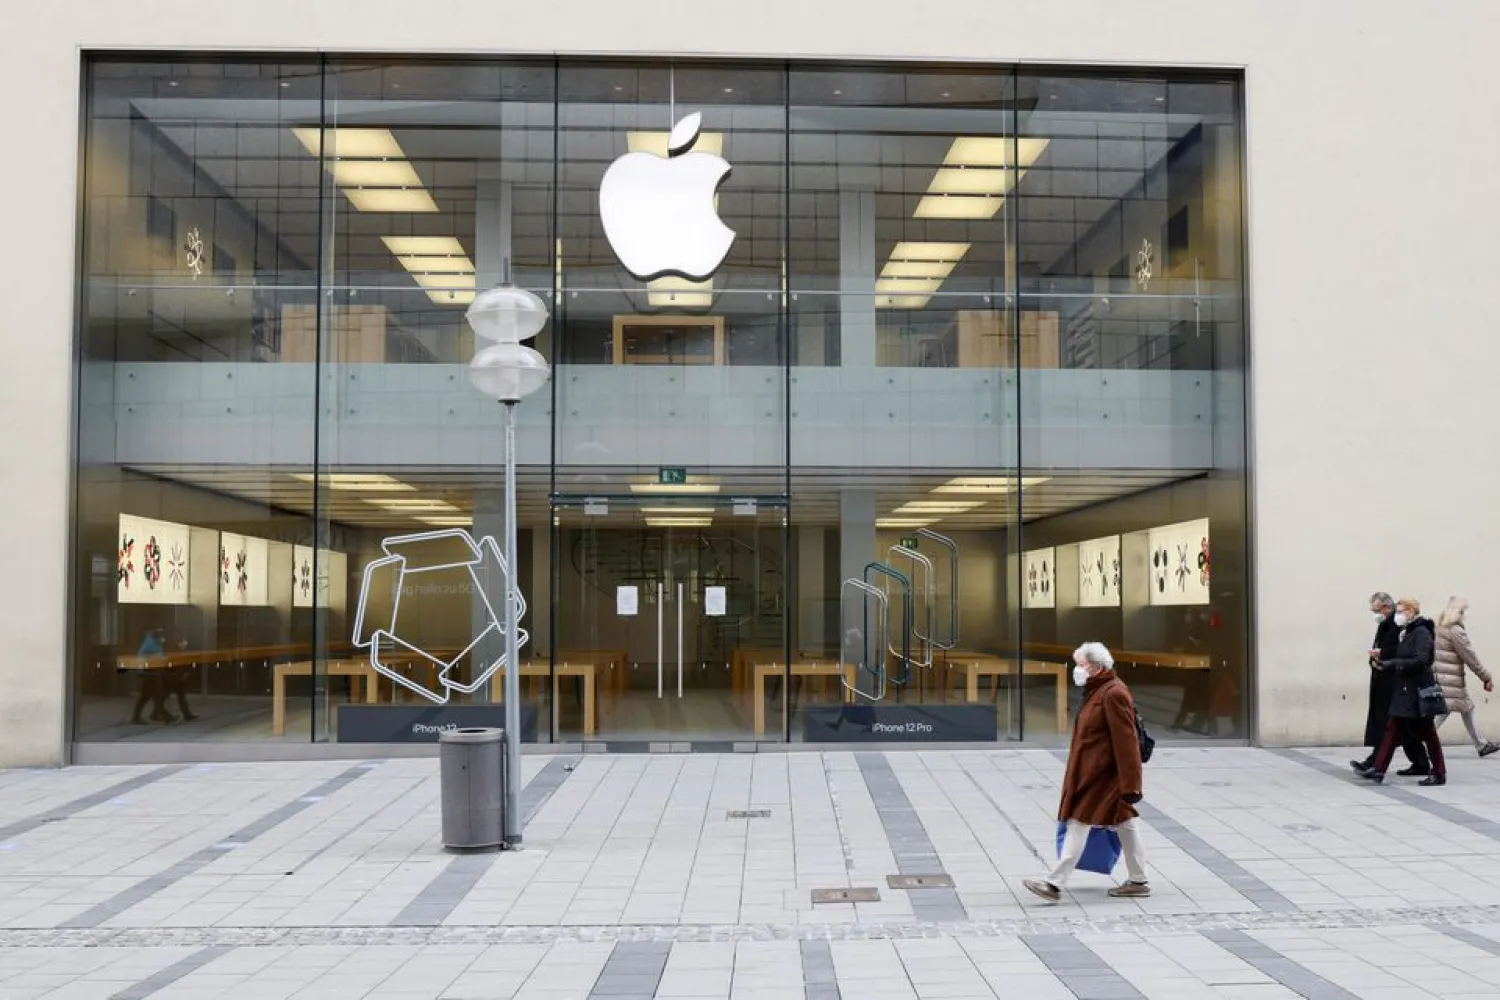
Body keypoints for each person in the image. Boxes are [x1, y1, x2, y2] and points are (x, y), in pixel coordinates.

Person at [1024, 642, 1149, 902]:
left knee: (1079, 821)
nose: (1076, 670)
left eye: (1080, 664)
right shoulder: (1098, 691)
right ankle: (1138, 879)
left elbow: (1127, 743)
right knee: (1124, 823)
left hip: (1103, 776)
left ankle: (1054, 883)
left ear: (1094, 667)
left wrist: (1131, 785)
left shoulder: (1113, 694)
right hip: (1093, 772)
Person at [1358, 597, 1447, 786]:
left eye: (1400, 611)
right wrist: (1383, 658)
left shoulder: (1421, 632)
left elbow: (1422, 660)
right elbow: (1403, 655)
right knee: (1392, 728)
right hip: (1405, 690)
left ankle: (1439, 772)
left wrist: (1393, 664)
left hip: (1417, 691)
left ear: (1412, 612)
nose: (1397, 615)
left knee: (1428, 732)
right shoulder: (1407, 632)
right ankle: (1379, 769)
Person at [1433, 596, 1499, 757]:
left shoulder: (1439, 628)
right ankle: (1419, 743)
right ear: (1460, 612)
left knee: (1466, 708)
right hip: (1452, 681)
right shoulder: (1456, 631)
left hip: (1443, 678)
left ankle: (1481, 744)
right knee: (1443, 712)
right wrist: (1485, 677)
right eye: (1465, 610)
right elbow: (1470, 657)